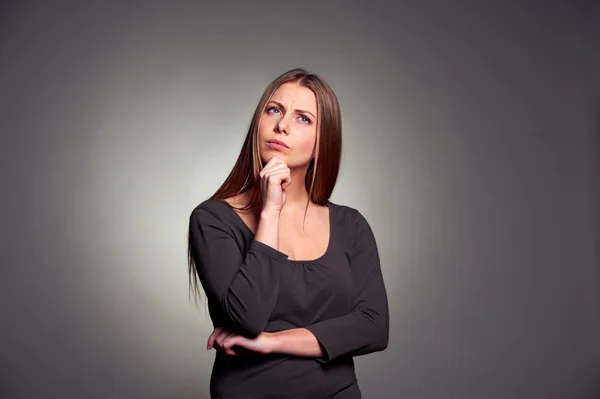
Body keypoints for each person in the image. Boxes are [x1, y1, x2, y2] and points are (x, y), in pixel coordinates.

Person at [187, 68, 389, 398]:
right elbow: (246, 318)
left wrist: (272, 342)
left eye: (303, 119)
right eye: (274, 110)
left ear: (322, 144)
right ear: (259, 124)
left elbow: (374, 326)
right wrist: (270, 211)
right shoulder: (213, 219)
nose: (282, 125)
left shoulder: (351, 226)